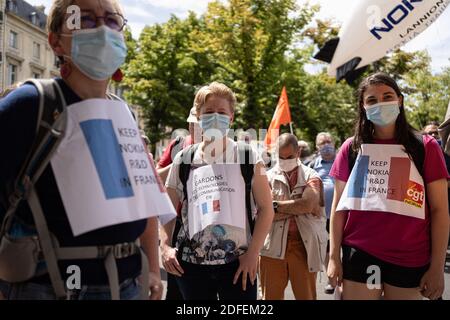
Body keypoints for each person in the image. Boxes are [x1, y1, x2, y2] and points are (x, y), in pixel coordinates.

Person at [0, 0, 163, 300]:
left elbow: (145, 203)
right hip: (48, 289)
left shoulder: (124, 114)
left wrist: (152, 268)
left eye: (113, 21)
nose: (102, 29)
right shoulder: (29, 106)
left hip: (128, 286)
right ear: (55, 41)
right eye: (84, 19)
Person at [327, 73, 449, 300]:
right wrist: (333, 256)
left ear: (400, 100)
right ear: (363, 107)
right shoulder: (351, 149)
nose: (380, 103)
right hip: (359, 254)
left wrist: (437, 268)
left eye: (387, 96)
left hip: (410, 257)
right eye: (372, 100)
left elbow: (440, 211)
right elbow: (338, 208)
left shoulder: (426, 147)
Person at [160, 82, 274, 300]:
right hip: (190, 267)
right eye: (208, 112)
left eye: (221, 112)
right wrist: (164, 246)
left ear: (231, 118)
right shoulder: (184, 159)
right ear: (198, 116)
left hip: (239, 263)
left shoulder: (248, 157)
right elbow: (166, 207)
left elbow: (267, 209)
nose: (215, 117)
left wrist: (253, 254)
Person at [259, 133, 327, 300]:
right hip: (272, 247)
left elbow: (308, 205)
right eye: (280, 157)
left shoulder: (312, 176)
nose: (284, 161)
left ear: (298, 153)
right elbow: (262, 214)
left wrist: (274, 206)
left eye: (289, 156)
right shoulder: (266, 177)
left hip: (303, 247)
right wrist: (297, 207)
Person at [156, 107, 199, 300]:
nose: (195, 128)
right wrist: (180, 163)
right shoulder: (178, 145)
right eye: (193, 123)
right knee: (176, 288)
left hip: (208, 226)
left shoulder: (224, 149)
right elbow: (154, 177)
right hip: (177, 224)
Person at [310, 132, 336, 294]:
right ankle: (331, 279)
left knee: (344, 246)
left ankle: (347, 279)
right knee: (327, 249)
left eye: (328, 141)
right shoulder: (312, 164)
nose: (326, 145)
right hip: (322, 215)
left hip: (342, 213)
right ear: (317, 147)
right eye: (322, 143)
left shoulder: (343, 160)